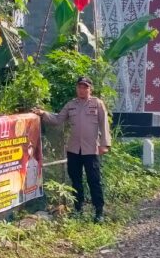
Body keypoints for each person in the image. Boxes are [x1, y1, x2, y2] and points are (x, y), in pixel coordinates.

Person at [33, 76, 111, 222]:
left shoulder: (97, 104)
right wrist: (43, 114)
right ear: (76, 88)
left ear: (90, 89)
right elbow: (57, 119)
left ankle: (99, 211)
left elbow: (104, 124)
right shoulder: (71, 105)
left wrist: (104, 144)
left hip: (91, 149)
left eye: (85, 87)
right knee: (75, 180)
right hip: (74, 149)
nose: (82, 90)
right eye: (79, 87)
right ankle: (78, 209)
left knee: (94, 180)